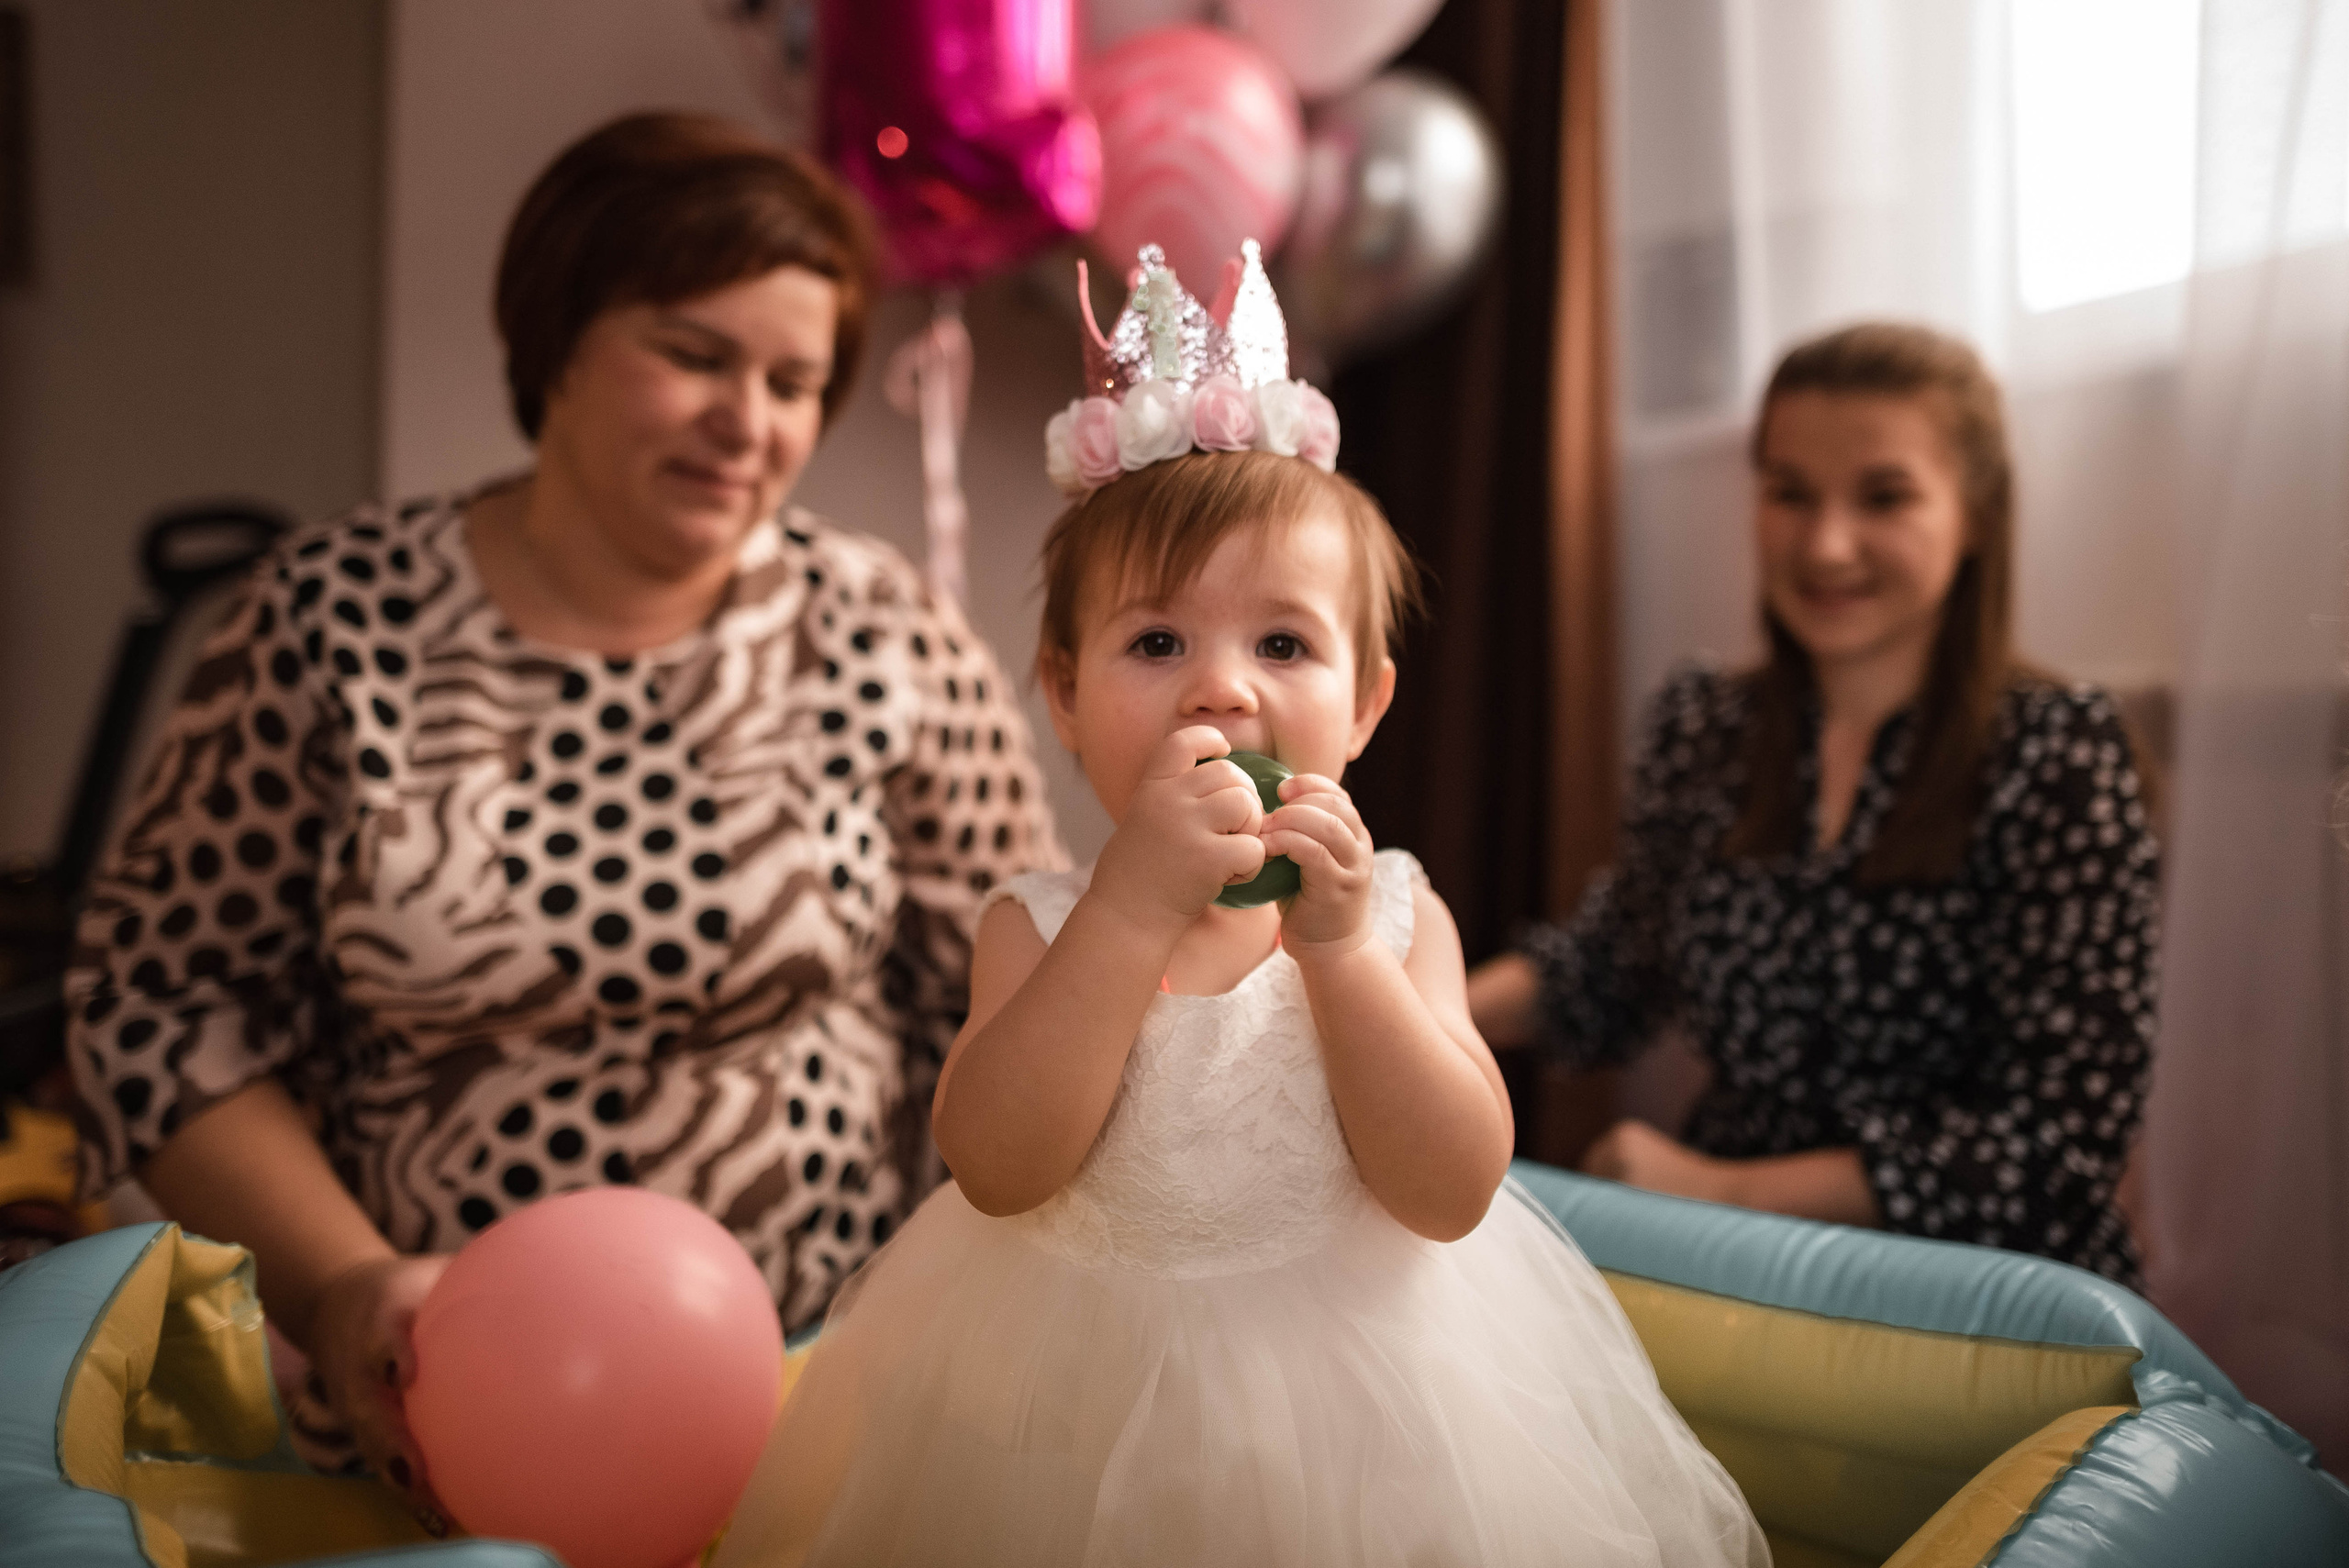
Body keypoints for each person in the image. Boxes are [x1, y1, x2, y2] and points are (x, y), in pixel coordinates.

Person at [712, 247, 1766, 1568]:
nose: (1222, 689)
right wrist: (1127, 916)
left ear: (1367, 704)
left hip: (1372, 1421)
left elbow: (1450, 1189)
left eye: (1282, 644)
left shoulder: (1391, 915)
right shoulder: (1035, 921)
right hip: (1065, 1408)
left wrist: (1337, 957)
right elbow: (997, 1164)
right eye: (1156, 644)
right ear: (1064, 695)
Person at [62, 113, 1062, 1501]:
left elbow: (1029, 1002)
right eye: (696, 355)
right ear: (560, 344)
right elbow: (158, 1012)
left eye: (793, 379)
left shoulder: (881, 627)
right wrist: (347, 1288)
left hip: (836, 1411)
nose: (748, 421)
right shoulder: (329, 618)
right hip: (441, 1427)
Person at [1470, 322, 2161, 1286]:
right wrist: (1397, 998)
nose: (1826, 543)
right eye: (1789, 493)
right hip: (1729, 1271)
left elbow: (2058, 1146)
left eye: (1883, 497)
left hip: (1978, 1297)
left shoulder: (2057, 754)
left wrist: (1723, 1190)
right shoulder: (1701, 725)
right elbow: (1609, 970)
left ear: (1975, 515)